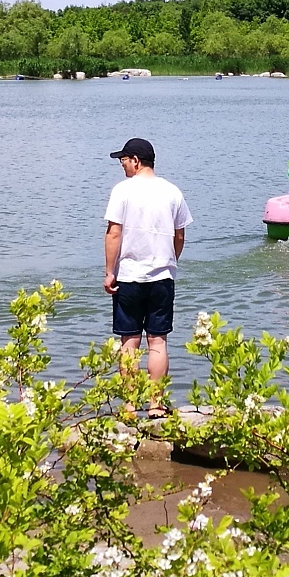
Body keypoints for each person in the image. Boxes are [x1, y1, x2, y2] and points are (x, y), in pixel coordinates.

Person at [102, 136, 192, 405]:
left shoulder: (123, 190)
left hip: (128, 276)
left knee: (129, 343)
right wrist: (169, 261)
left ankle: (129, 405)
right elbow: (180, 235)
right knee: (158, 342)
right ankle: (156, 404)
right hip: (162, 277)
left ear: (136, 161)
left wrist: (109, 272)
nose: (123, 167)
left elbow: (114, 233)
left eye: (123, 161)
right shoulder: (173, 191)